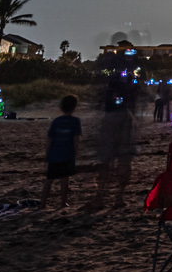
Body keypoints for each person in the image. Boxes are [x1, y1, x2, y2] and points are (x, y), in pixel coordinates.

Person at [92, 71, 140, 207]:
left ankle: (100, 196)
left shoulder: (110, 91)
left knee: (106, 161)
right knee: (124, 162)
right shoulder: (128, 92)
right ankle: (118, 197)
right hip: (123, 121)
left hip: (109, 121)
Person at [44, 94, 82, 207]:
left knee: (49, 179)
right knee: (65, 179)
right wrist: (76, 152)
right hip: (67, 154)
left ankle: (43, 203)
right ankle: (62, 202)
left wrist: (47, 153)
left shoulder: (56, 121)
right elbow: (76, 138)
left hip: (54, 154)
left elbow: (49, 138)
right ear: (74, 107)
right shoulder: (75, 121)